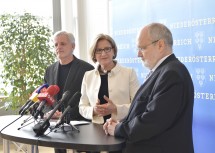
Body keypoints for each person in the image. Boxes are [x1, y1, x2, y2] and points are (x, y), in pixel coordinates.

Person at [103, 23, 194, 153]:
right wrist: (120, 123)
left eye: (142, 48)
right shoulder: (164, 71)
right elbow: (144, 111)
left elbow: (153, 121)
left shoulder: (171, 74)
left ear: (160, 45)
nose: (138, 54)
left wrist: (119, 129)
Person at [43, 31, 94, 153]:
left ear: (73, 46)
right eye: (56, 44)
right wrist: (49, 112)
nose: (58, 47)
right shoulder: (49, 70)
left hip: (80, 123)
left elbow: (89, 99)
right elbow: (45, 97)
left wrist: (66, 114)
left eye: (62, 44)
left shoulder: (87, 69)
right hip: (56, 124)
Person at [79, 33, 140, 126]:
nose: (103, 54)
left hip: (122, 128)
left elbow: (138, 105)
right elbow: (82, 107)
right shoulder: (88, 76)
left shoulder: (129, 73)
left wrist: (116, 109)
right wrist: (93, 111)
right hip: (96, 130)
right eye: (99, 50)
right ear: (94, 54)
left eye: (107, 49)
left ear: (114, 51)